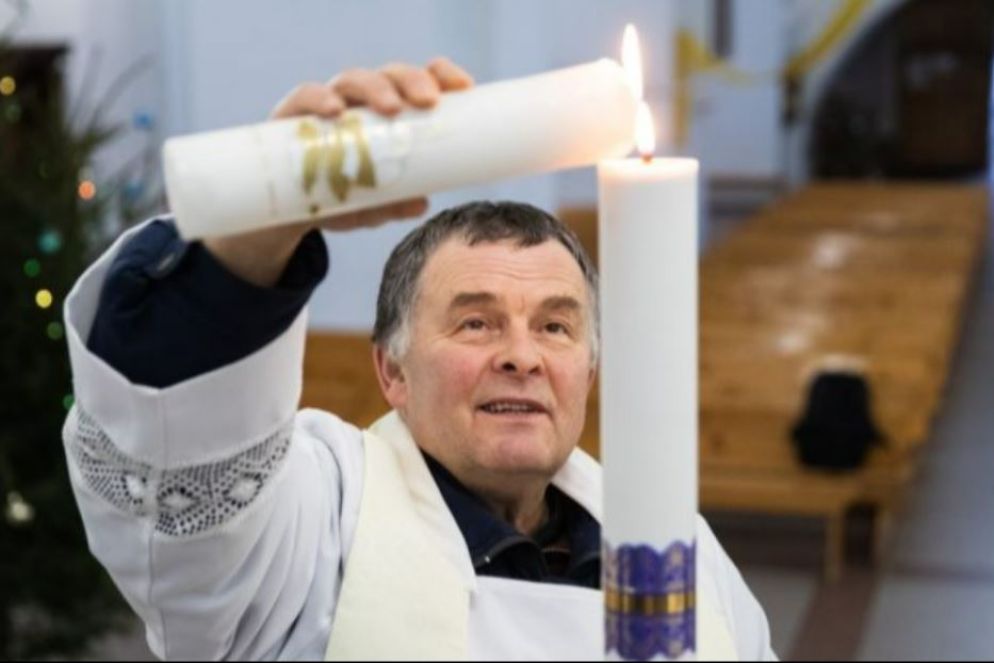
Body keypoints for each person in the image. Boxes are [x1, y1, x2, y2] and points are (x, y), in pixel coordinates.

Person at [62, 58, 776, 660]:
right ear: (392, 372)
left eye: (556, 327)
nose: (522, 356)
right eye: (475, 322)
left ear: (590, 370)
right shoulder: (318, 515)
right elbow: (178, 467)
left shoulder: (680, 550)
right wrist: (259, 226)